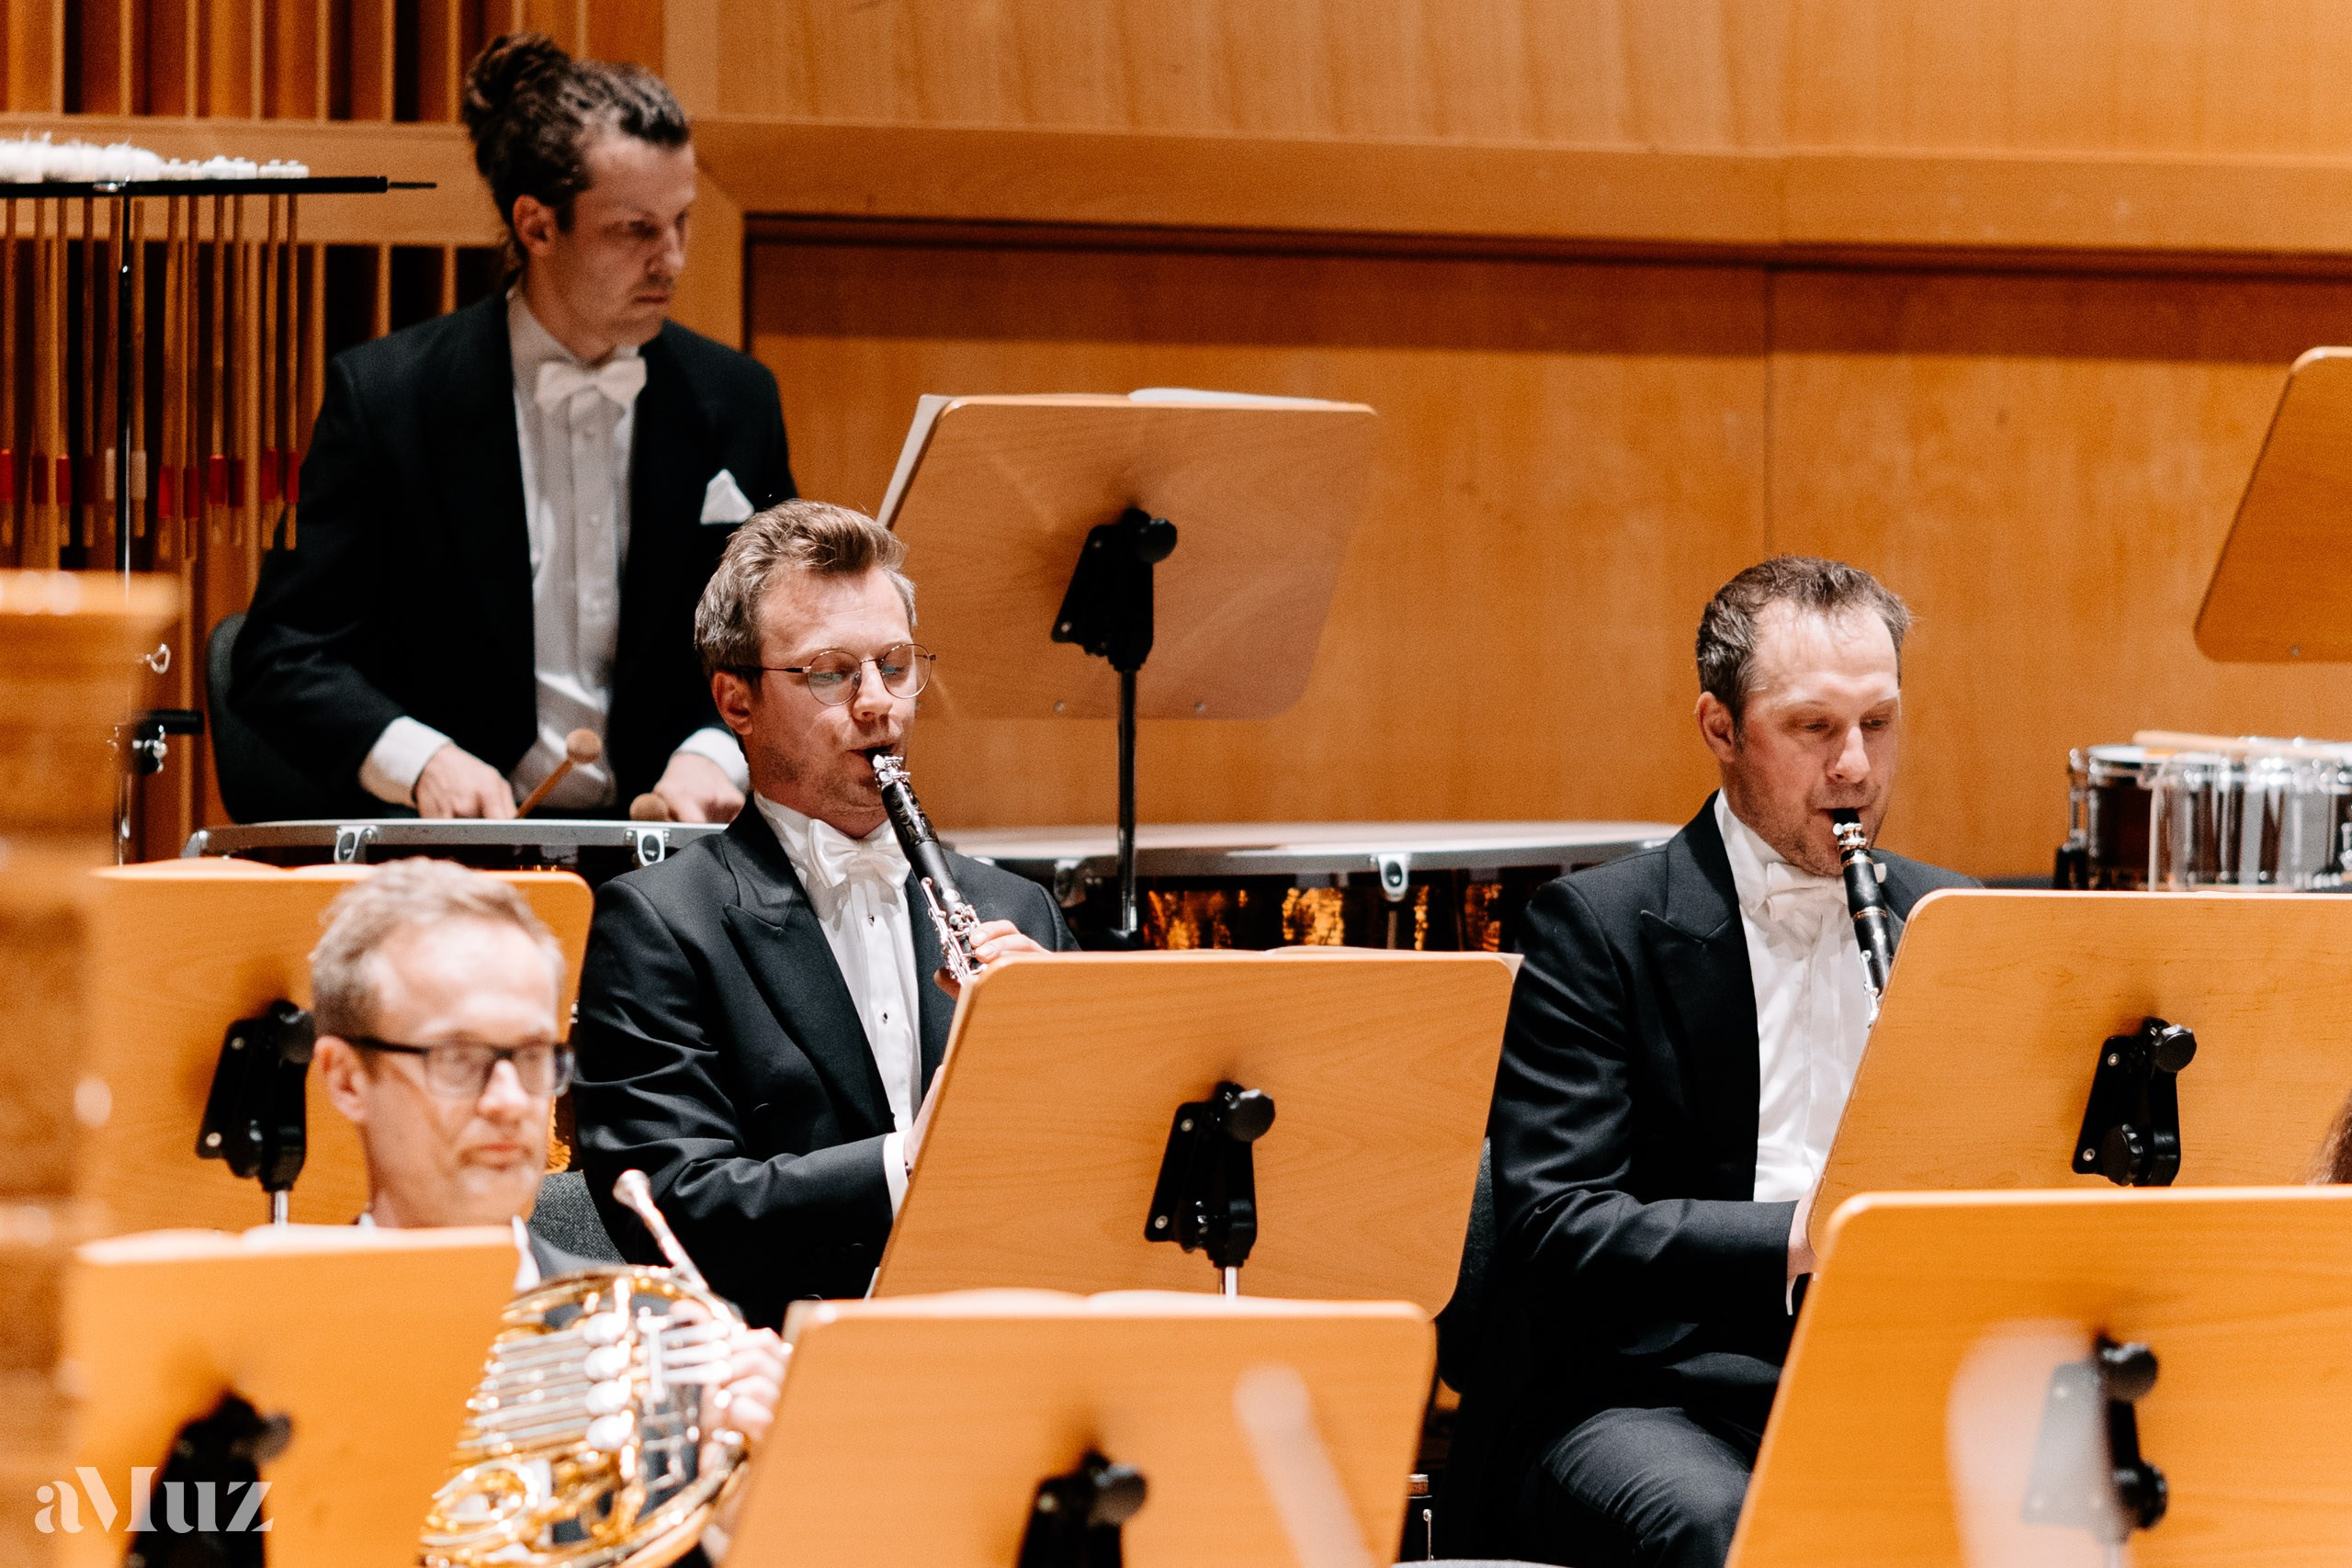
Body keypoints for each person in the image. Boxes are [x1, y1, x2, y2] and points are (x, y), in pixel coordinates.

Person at [1453, 557, 1976, 1568]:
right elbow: (1562, 1224)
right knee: (1736, 1534)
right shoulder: (1600, 928)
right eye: (1813, 728)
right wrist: (1808, 1235)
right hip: (1643, 1389)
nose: (1856, 768)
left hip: (1887, 1366)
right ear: (1719, 729)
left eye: (1877, 722)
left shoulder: (1948, 919)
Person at [230, 32, 793, 823]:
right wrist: (423, 760)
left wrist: (713, 751)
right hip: (453, 860)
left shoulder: (736, 399)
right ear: (536, 226)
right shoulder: (391, 398)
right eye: (635, 230)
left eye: (682, 222)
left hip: (672, 869)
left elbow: (785, 638)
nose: (672, 259)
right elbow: (281, 653)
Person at [570, 499, 1081, 1325]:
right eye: (828, 671)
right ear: (736, 702)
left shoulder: (1016, 908)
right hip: (780, 1374)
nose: (879, 702)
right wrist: (909, 1163)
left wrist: (1059, 1056)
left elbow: (1107, 1181)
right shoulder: (661, 925)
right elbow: (674, 1207)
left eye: (895, 662)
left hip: (1007, 1350)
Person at [308, 858, 785, 1563]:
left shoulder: (671, 1346)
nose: (510, 1100)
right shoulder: (280, 1350)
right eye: (459, 1057)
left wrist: (746, 1521)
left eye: (533, 1056)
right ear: (348, 1080)